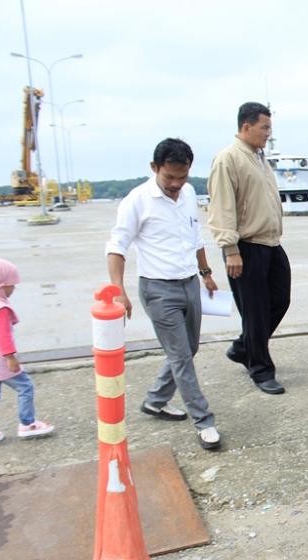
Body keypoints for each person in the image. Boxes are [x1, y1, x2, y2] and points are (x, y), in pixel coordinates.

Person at [106, 138, 221, 451]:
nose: (176, 184)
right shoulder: (137, 200)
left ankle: (155, 400)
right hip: (158, 289)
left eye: (182, 177)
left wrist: (206, 273)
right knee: (181, 356)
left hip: (189, 283)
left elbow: (195, 237)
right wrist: (119, 291)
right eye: (169, 177)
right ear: (154, 168)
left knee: (189, 348)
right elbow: (116, 248)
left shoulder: (187, 194)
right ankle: (204, 421)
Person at [208, 102, 290, 395]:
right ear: (246, 126)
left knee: (280, 299)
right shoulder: (228, 159)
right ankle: (261, 368)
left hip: (270, 242)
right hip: (246, 245)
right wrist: (230, 249)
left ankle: (244, 346)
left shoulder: (259, 158)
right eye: (264, 128)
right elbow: (221, 207)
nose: (268, 134)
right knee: (254, 311)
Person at [0, 258, 54, 443]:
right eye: (12, 284)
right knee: (25, 386)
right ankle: (28, 423)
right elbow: (2, 336)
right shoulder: (1, 308)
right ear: (0, 285)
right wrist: (11, 357)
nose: (14, 288)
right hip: (0, 359)